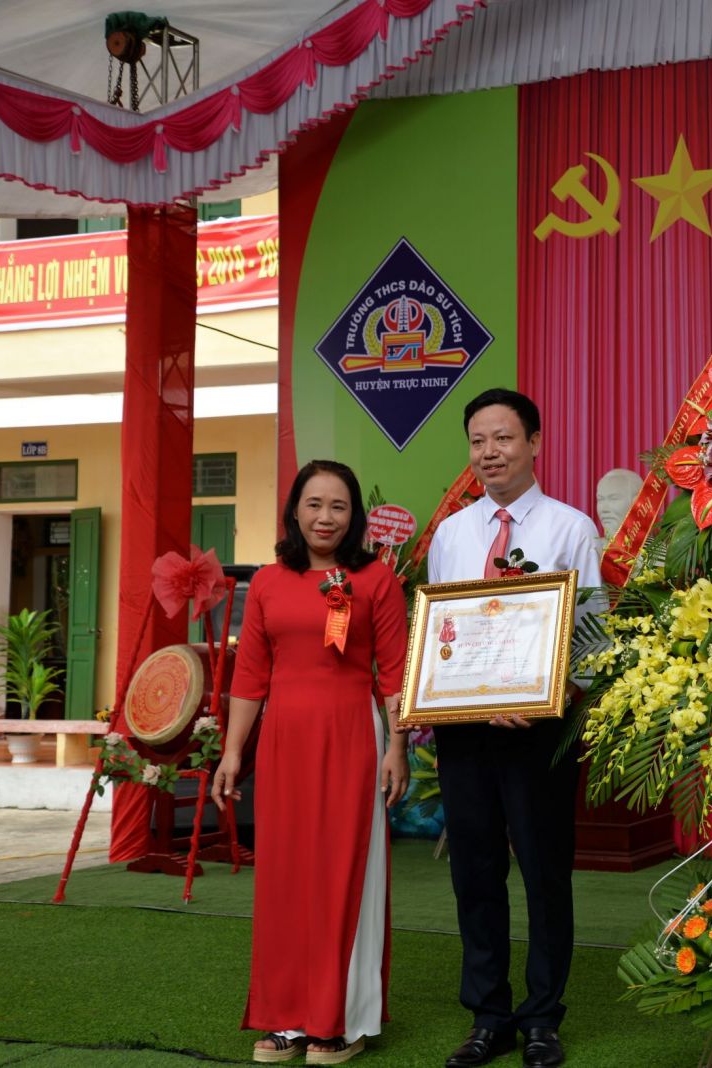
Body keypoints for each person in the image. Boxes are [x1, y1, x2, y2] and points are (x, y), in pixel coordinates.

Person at [212, 460, 410, 1065]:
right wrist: (232, 752)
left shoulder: (377, 579)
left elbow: (395, 673)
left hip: (353, 737)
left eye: (339, 506)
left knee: (344, 872)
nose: (326, 517)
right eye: (315, 504)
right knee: (285, 877)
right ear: (295, 510)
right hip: (284, 742)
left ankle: (341, 1019)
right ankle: (287, 1019)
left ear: (354, 516)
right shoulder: (268, 582)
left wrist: (397, 746)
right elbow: (251, 675)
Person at [426, 388, 602, 1068]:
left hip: (538, 731)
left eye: (502, 438)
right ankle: (488, 1016)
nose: (489, 453)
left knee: (544, 873)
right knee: (474, 873)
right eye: (478, 441)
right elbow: (442, 634)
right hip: (464, 733)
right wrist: (456, 696)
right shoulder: (451, 534)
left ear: (534, 443)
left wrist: (542, 696)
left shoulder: (570, 529)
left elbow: (592, 639)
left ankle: (542, 1019)